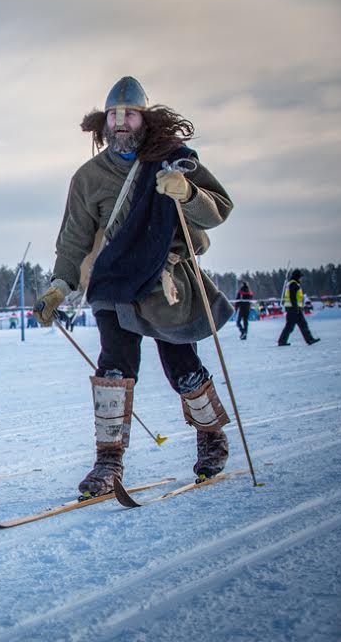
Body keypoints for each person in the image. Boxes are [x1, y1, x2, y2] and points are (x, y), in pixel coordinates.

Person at [35, 76, 235, 497]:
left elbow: (218, 210)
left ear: (144, 118)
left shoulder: (174, 161)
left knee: (182, 368)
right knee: (113, 367)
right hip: (112, 284)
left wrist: (187, 192)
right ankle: (108, 463)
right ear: (102, 122)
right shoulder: (89, 177)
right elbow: (72, 239)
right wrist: (58, 285)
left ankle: (211, 436)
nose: (120, 122)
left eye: (128, 113)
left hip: (165, 283)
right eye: (113, 114)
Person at [278, 269, 319, 346]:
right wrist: (296, 307)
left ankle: (282, 341)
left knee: (295, 325)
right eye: (300, 277)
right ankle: (309, 340)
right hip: (294, 308)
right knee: (296, 325)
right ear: (297, 276)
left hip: (292, 308)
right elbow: (292, 297)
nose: (301, 278)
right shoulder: (293, 284)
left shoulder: (292, 283)